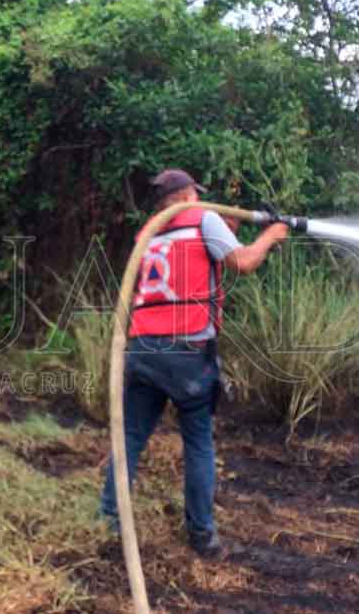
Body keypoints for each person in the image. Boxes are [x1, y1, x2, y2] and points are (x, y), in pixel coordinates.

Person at [99, 169, 289, 557]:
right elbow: (244, 262)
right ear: (188, 195)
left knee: (130, 437)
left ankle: (108, 522)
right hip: (186, 351)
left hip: (141, 348)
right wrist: (270, 236)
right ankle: (202, 537)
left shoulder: (148, 233)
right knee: (198, 441)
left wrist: (224, 228)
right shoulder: (204, 219)